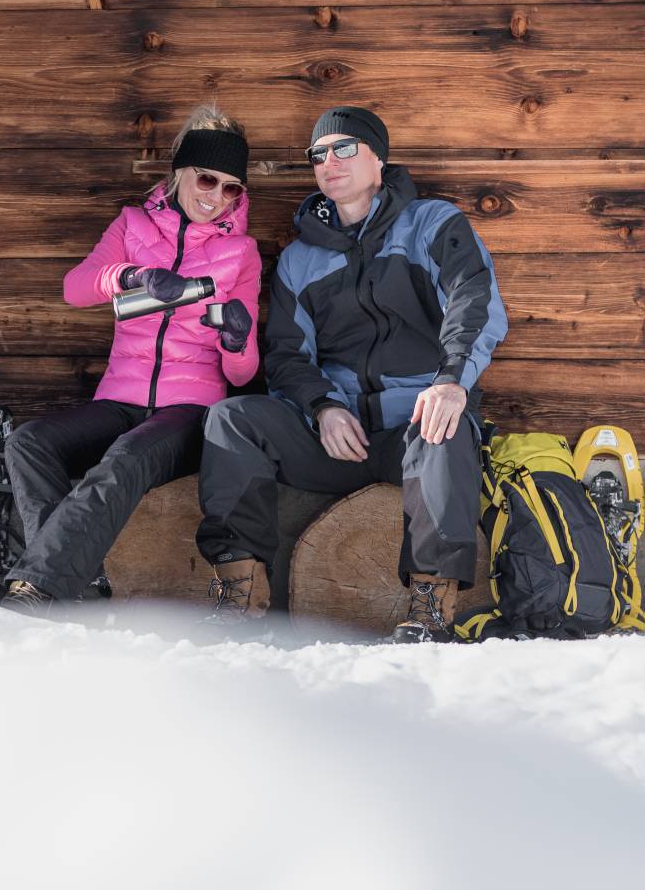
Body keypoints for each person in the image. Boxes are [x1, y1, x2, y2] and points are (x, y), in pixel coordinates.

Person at [194, 106, 506, 641]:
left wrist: (451, 380)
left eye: (343, 148)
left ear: (378, 159)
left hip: (414, 426)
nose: (328, 162)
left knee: (444, 425)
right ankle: (239, 593)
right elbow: (287, 353)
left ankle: (432, 607)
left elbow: (474, 303)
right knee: (232, 419)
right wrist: (323, 406)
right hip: (334, 438)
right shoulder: (300, 259)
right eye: (318, 154)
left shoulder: (432, 224)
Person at [0, 106, 262, 616]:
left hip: (189, 412)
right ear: (181, 172)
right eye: (207, 179)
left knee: (126, 457)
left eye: (232, 188)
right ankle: (82, 578)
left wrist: (236, 337)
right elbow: (76, 289)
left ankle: (41, 590)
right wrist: (133, 276)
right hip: (120, 396)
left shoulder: (242, 254)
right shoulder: (132, 224)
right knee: (29, 443)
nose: (215, 197)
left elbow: (243, 373)